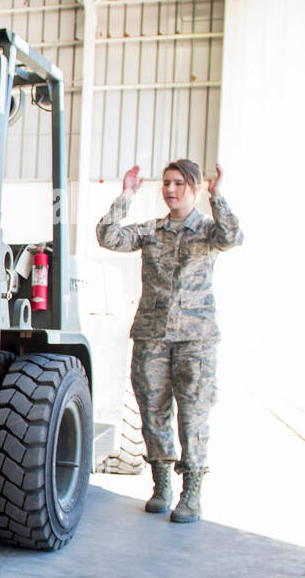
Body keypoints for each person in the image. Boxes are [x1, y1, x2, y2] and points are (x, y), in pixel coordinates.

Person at [96, 159, 243, 523]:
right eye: (166, 183)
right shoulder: (150, 230)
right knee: (152, 412)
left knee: (193, 415)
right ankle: (161, 485)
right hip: (152, 336)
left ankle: (191, 493)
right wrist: (126, 195)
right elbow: (108, 236)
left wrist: (218, 196)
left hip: (195, 340)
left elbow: (233, 236)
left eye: (179, 183)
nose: (171, 190)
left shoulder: (208, 231)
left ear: (193, 187)